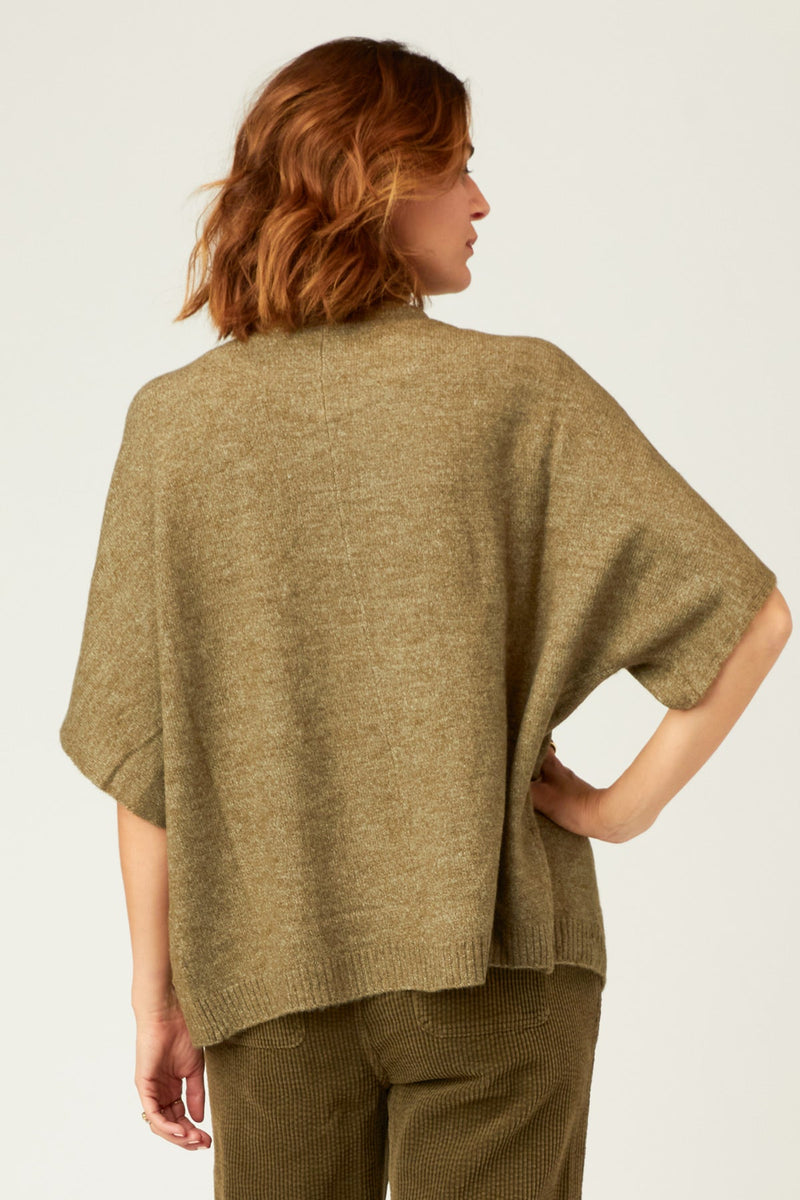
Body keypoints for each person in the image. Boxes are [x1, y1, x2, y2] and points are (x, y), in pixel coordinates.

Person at [58, 35, 791, 1200]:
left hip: (268, 977)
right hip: (498, 965)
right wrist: (616, 811)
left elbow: (146, 756)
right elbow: (747, 616)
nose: (480, 201)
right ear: (375, 184)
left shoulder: (176, 427)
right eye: (455, 168)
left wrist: (159, 992)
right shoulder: (519, 390)